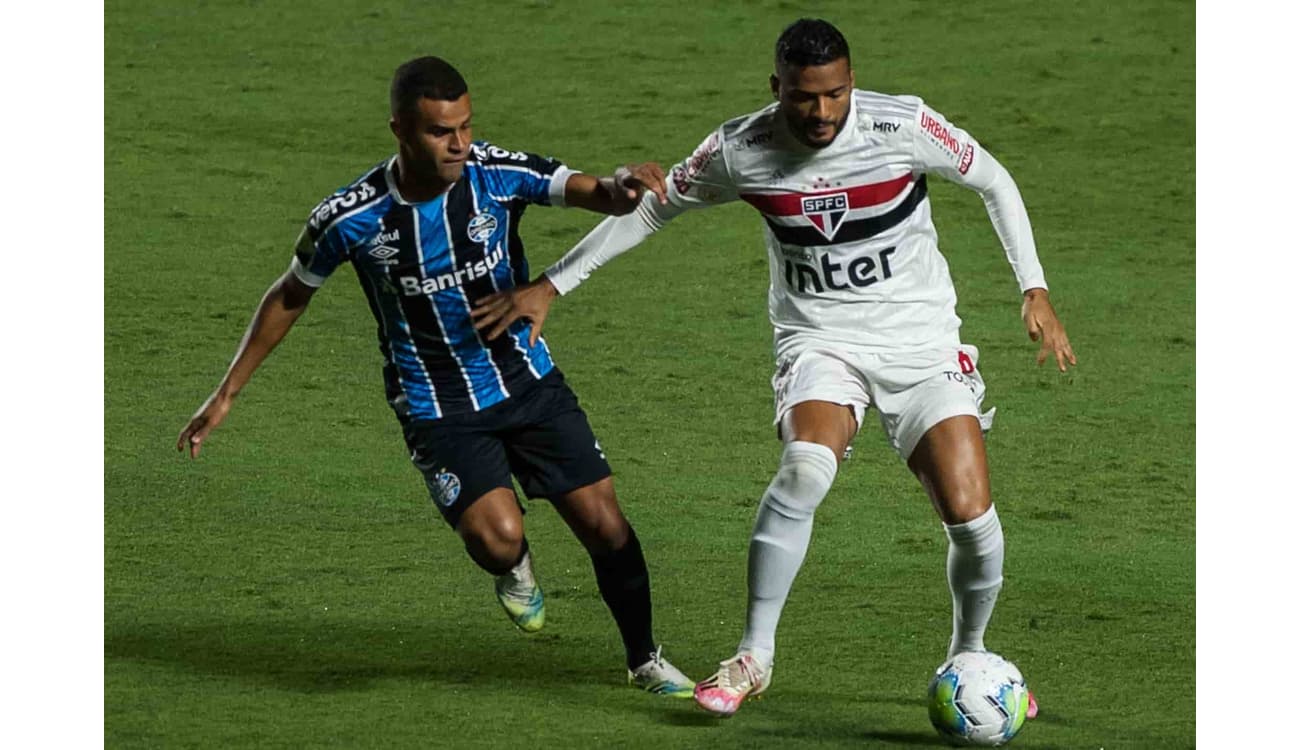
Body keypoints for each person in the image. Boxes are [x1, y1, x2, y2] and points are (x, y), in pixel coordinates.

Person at [469, 19, 1075, 717]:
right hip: (821, 342)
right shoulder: (741, 147)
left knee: (970, 516)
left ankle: (969, 653)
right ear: (776, 89)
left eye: (835, 95)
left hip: (922, 344)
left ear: (852, 83)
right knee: (803, 470)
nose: (821, 113)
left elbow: (994, 180)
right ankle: (754, 657)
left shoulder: (901, 124)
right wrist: (552, 283)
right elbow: (651, 212)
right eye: (804, 98)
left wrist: (1034, 289)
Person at [176, 56, 695, 698]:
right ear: (399, 129)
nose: (459, 145)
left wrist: (625, 182)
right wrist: (226, 393)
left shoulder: (495, 174)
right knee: (498, 541)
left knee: (605, 524)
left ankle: (643, 658)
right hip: (436, 406)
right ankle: (515, 567)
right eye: (440, 132)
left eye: (466, 127)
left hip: (526, 382)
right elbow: (290, 293)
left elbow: (597, 192)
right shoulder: (349, 217)